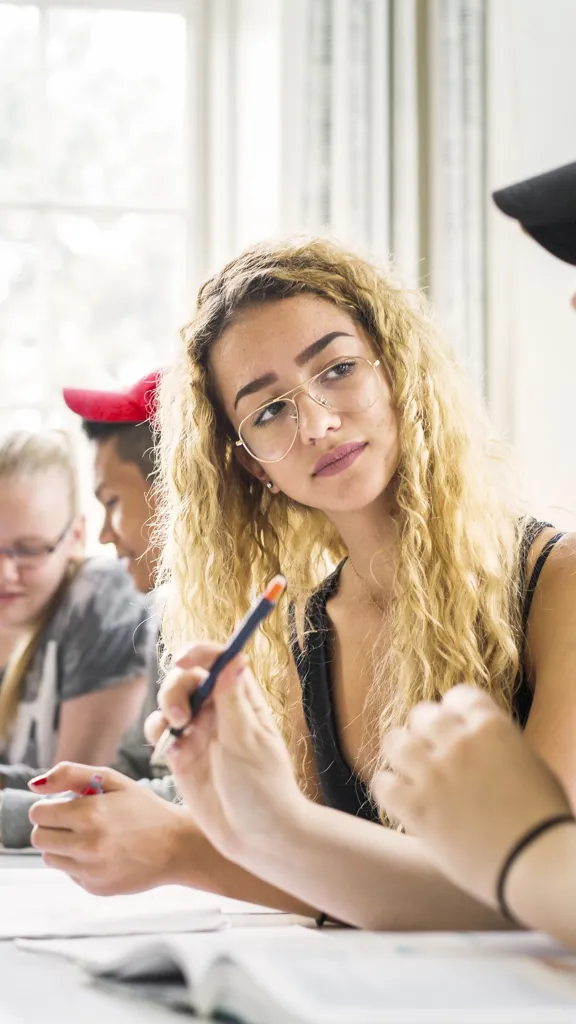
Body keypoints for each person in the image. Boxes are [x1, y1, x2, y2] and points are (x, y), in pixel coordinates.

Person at [30, 237, 576, 930]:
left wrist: (186, 842)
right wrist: (193, 826)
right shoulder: (304, 633)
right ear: (253, 466)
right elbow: (333, 881)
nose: (316, 422)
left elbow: (535, 895)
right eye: (268, 412)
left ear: (397, 371)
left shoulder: (558, 584)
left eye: (339, 369)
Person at [0, 374, 183, 849]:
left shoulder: (109, 595)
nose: (106, 535)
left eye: (113, 502)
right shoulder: (169, 616)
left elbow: (192, 798)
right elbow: (119, 774)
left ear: (175, 494)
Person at [0, 429, 149, 801]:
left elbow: (73, 794)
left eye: (30, 550)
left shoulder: (102, 596)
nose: (5, 573)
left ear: (76, 536)